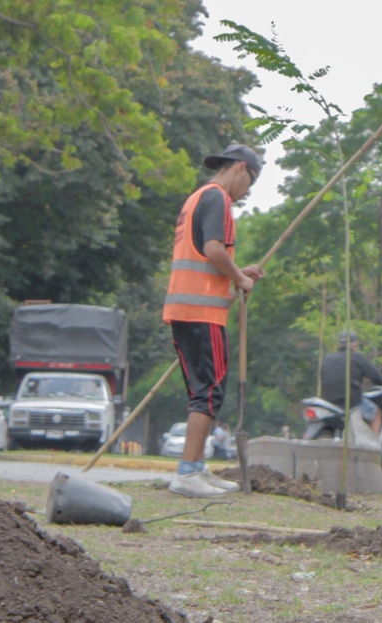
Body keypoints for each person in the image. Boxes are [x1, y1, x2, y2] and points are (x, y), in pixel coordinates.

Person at [163, 144, 265, 498]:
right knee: (209, 392)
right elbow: (213, 250)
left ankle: (196, 468)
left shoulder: (197, 198)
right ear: (240, 168)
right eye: (250, 181)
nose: (247, 191)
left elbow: (205, 259)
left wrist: (237, 274)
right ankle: (188, 472)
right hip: (200, 312)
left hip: (189, 308)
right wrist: (239, 278)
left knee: (204, 391)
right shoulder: (218, 198)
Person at [320, 331, 382, 436]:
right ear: (354, 344)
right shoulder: (356, 357)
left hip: (328, 401)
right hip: (350, 401)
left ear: (339, 344)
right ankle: (374, 448)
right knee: (376, 413)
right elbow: (376, 376)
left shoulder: (328, 358)